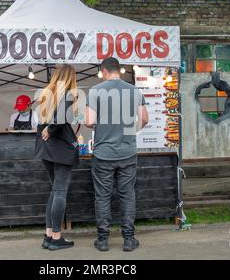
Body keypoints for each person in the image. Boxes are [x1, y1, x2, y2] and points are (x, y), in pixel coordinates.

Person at [85, 57, 149, 252]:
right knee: (127, 195)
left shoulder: (96, 91)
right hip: (128, 152)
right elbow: (145, 118)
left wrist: (104, 125)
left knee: (102, 196)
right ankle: (129, 239)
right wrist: (129, 131)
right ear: (118, 70)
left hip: (103, 153)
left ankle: (103, 240)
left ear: (104, 71)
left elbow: (89, 121)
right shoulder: (134, 90)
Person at [35, 64, 79, 251]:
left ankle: (48, 235)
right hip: (61, 149)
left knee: (55, 191)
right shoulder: (68, 93)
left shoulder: (47, 92)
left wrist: (49, 129)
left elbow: (46, 121)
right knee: (60, 192)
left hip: (47, 150)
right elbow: (60, 119)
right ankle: (56, 237)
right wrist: (52, 129)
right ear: (70, 77)